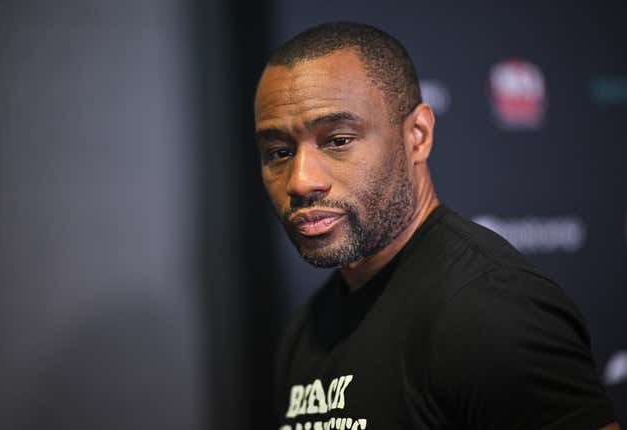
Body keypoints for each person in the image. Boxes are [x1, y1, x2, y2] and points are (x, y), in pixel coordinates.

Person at [254, 22, 619, 430]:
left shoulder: (489, 312)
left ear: (418, 135)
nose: (301, 180)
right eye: (280, 151)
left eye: (338, 140)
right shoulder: (306, 331)